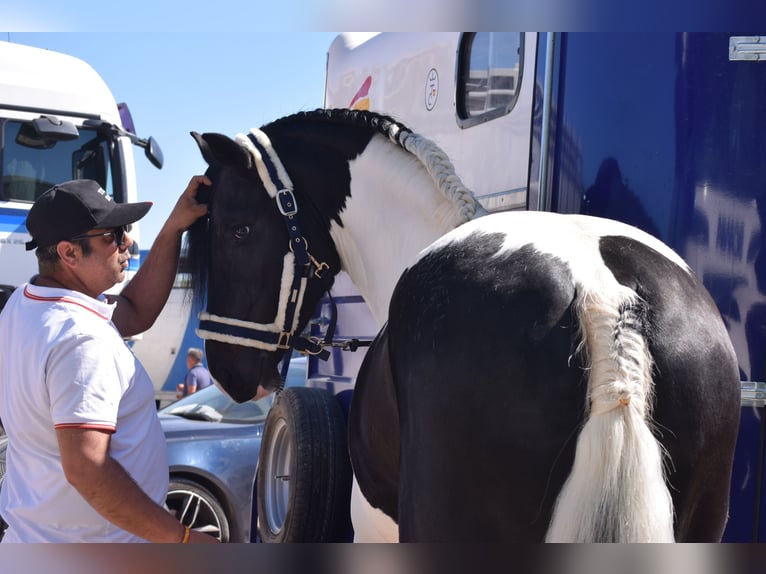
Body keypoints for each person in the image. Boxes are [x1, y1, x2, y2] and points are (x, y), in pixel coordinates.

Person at [0, 177, 219, 543]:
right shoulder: (81, 338)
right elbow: (88, 468)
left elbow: (134, 311)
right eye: (114, 235)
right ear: (70, 254)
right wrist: (181, 540)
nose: (128, 241)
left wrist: (174, 226)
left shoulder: (25, 304)